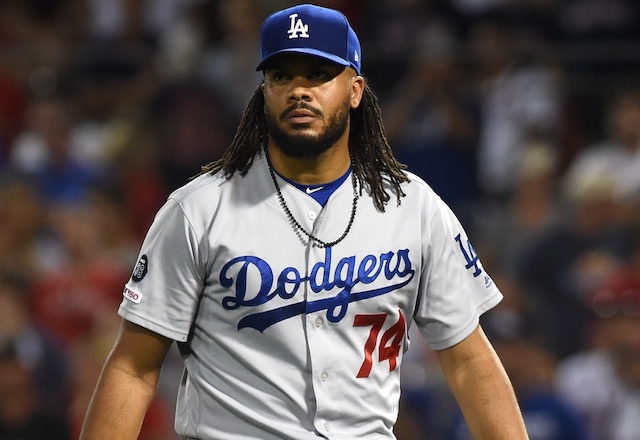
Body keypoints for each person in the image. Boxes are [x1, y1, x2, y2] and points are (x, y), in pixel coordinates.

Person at [80, 4, 528, 439]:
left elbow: (469, 363)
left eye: (318, 74)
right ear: (264, 92)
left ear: (355, 90)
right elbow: (133, 367)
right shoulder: (198, 210)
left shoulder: (414, 208)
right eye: (281, 76)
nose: (299, 90)